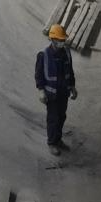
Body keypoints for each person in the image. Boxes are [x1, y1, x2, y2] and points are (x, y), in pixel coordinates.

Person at [35, 24, 77, 155]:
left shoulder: (66, 53)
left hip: (63, 93)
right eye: (60, 40)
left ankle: (58, 139)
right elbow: (39, 75)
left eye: (63, 40)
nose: (62, 42)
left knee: (62, 116)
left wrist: (73, 87)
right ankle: (52, 142)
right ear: (52, 40)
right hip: (51, 95)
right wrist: (41, 91)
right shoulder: (44, 55)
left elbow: (70, 71)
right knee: (53, 119)